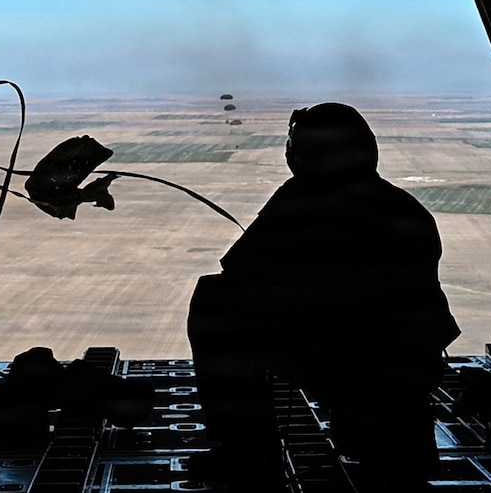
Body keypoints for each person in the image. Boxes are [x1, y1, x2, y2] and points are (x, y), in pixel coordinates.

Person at [187, 103, 460, 490]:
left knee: (214, 299)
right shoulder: (405, 207)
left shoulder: (302, 198)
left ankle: (247, 453)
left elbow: (239, 274)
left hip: (344, 362)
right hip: (408, 370)